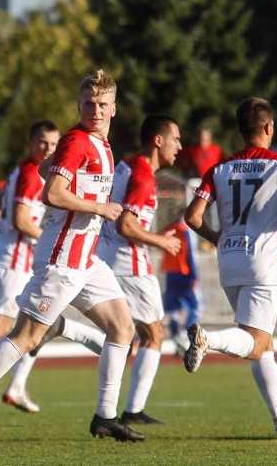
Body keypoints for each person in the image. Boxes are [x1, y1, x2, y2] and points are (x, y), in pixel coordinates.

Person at [0, 69, 145, 448]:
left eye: (102, 105)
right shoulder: (76, 141)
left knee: (122, 328)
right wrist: (99, 207)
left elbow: (44, 170)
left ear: (114, 108)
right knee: (25, 336)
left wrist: (91, 207)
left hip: (86, 259)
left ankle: (105, 417)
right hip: (64, 255)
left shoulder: (100, 144)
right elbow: (52, 193)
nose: (95, 111)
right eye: (89, 104)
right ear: (79, 105)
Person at [0, 120, 107, 416]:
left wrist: (3, 234)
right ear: (30, 142)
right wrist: (42, 237)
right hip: (15, 259)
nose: (48, 148)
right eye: (43, 143)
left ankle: (16, 387)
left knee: (38, 324)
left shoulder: (21, 170)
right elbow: (22, 220)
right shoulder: (32, 175)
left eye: (53, 144)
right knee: (0, 327)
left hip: (11, 255)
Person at [182, 97, 277, 440]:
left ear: (240, 131)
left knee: (263, 343)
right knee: (255, 344)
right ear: (269, 127)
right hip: (263, 261)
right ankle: (208, 338)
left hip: (229, 258)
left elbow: (192, 217)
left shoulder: (219, 169)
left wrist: (216, 238)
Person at [96, 114, 183, 426]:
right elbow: (127, 224)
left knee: (122, 332)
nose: (180, 146)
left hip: (105, 254)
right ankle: (133, 410)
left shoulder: (126, 164)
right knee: (153, 334)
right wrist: (160, 240)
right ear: (158, 141)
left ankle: (125, 409)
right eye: (176, 139)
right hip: (129, 261)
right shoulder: (145, 177)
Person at [160, 213, 203, 355]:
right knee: (197, 306)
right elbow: (191, 254)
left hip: (171, 273)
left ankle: (176, 339)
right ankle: (184, 334)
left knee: (173, 310)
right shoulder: (186, 231)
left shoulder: (171, 228)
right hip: (185, 273)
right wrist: (195, 276)